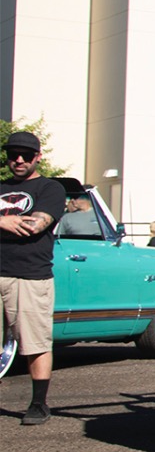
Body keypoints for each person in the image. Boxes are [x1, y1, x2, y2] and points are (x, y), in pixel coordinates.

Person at [0, 130, 66, 425]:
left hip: (29, 276)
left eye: (26, 155)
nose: (19, 160)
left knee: (34, 342)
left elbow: (34, 226)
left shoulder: (50, 189)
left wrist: (14, 221)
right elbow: (15, 224)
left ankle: (38, 404)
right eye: (13, 154)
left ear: (37, 157)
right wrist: (5, 220)